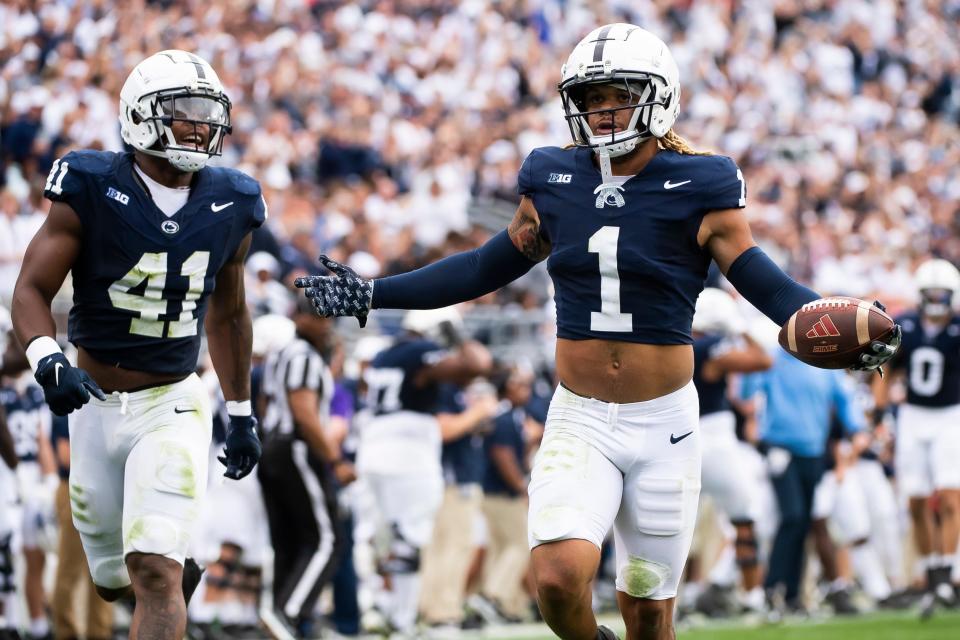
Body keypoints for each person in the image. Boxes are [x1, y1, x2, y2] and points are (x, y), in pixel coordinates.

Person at [294, 24, 899, 640]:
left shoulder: (703, 182)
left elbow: (765, 285)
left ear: (658, 96)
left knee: (647, 610)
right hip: (580, 415)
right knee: (557, 579)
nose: (603, 111)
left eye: (618, 95)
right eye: (590, 99)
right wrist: (377, 293)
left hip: (664, 422)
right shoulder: (551, 176)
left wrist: (822, 319)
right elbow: (483, 267)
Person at [9, 50, 264, 640]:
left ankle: (167, 580)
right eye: (186, 112)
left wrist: (242, 412)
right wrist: (47, 359)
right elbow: (31, 289)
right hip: (94, 404)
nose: (202, 126)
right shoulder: (92, 183)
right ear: (141, 116)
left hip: (172, 402)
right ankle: (173, 581)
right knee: (111, 579)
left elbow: (228, 314)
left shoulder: (233, 199)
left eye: (209, 113)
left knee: (152, 571)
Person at [355, 306, 493, 635]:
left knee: (378, 536)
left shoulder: (385, 354)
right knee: (410, 540)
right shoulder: (421, 352)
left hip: (374, 445)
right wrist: (457, 337)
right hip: (408, 451)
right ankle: (402, 619)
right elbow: (476, 365)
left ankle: (377, 606)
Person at [741, 348, 866, 615]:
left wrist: (857, 429)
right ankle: (773, 588)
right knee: (793, 517)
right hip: (780, 450)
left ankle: (792, 596)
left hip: (813, 453)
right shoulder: (771, 358)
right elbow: (745, 394)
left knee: (804, 522)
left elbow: (844, 401)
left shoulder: (824, 364)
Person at [258, 299, 354, 637]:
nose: (325, 323)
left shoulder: (282, 354)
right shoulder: (302, 356)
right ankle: (289, 612)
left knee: (291, 541)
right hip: (294, 446)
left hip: (273, 446)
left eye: (329, 316)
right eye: (317, 315)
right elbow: (304, 413)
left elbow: (266, 403)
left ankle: (281, 617)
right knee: (328, 539)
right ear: (298, 317)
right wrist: (335, 460)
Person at [875, 258, 960, 617]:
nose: (937, 299)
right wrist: (880, 417)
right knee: (915, 500)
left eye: (943, 293)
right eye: (932, 293)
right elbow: (886, 370)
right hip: (912, 415)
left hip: (950, 414)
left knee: (949, 493)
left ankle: (946, 571)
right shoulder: (904, 324)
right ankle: (930, 570)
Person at [687, 288, 772, 615]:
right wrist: (738, 327)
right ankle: (753, 597)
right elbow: (762, 358)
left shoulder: (680, 345)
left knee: (677, 527)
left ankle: (677, 598)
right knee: (745, 519)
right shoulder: (710, 348)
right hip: (715, 440)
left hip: (680, 439)